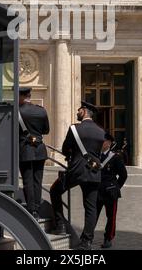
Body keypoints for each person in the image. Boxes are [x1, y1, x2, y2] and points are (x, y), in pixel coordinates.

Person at [50, 101, 105, 250]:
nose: (77, 112)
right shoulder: (101, 132)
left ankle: (60, 224)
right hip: (93, 172)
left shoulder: (74, 129)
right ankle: (86, 242)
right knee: (91, 208)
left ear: (85, 111)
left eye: (79, 110)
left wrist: (72, 154)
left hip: (76, 171)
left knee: (55, 191)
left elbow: (65, 148)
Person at [19, 87, 50, 221]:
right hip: (39, 149)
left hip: (25, 149)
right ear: (29, 96)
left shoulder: (18, 111)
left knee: (27, 181)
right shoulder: (41, 111)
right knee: (38, 180)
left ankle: (31, 210)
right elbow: (46, 130)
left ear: (20, 96)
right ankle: (37, 208)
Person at [96, 133, 128, 248]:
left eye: (103, 141)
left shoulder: (115, 157)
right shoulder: (96, 156)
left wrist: (116, 187)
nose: (100, 142)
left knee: (111, 217)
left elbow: (123, 175)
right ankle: (87, 237)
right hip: (97, 191)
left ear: (109, 143)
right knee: (92, 215)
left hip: (110, 192)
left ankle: (108, 238)